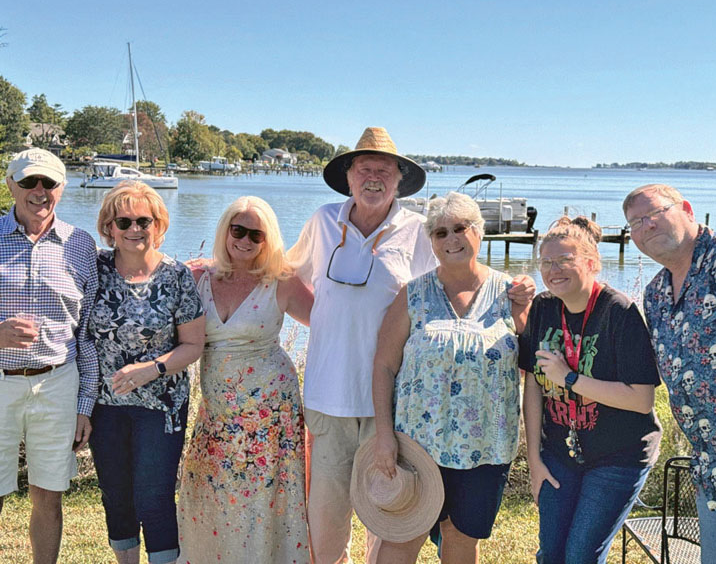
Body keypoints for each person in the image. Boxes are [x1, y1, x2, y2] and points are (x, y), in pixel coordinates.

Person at [286, 127, 436, 563]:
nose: (374, 177)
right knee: (326, 512)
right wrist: (326, 323)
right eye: (365, 169)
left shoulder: (418, 231)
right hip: (326, 395)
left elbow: (445, 289)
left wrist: (515, 290)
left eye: (384, 170)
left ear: (399, 179)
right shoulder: (322, 220)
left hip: (389, 401)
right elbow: (286, 277)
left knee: (387, 507)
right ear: (348, 178)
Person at [370, 192, 534, 564]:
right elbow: (383, 366)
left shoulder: (510, 294)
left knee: (461, 539)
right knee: (401, 537)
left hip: (486, 448)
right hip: (418, 446)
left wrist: (526, 307)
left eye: (461, 228)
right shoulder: (413, 294)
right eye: (440, 232)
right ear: (431, 241)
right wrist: (383, 436)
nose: (451, 239)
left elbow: (533, 362)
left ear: (480, 232)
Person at [0, 148, 99, 564]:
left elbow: (87, 335)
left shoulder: (81, 245)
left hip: (58, 383)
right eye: (28, 182)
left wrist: (85, 405)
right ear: (10, 185)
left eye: (48, 183)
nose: (39, 192)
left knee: (49, 497)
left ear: (62, 187)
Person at [623, 184, 716, 564]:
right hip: (712, 474)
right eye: (635, 223)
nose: (646, 227)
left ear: (686, 209)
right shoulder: (656, 294)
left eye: (655, 214)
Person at [177, 196, 312, 563]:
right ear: (225, 230)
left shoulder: (280, 281)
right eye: (239, 230)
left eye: (257, 234)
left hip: (272, 417)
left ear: (268, 241)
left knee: (264, 502)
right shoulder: (197, 277)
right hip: (217, 416)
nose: (246, 241)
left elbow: (330, 323)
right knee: (211, 493)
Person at [520, 216, 661, 564]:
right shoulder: (542, 308)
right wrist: (534, 458)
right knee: (551, 552)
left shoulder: (619, 312)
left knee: (580, 555)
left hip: (619, 455)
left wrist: (569, 378)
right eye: (547, 262)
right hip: (559, 452)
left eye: (565, 260)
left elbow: (641, 399)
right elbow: (534, 385)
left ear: (592, 263)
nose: (554, 270)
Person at [87, 180, 205, 564]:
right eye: (125, 222)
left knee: (154, 496)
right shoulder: (95, 268)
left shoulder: (176, 276)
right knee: (115, 493)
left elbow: (193, 345)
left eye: (144, 220)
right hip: (104, 405)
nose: (135, 229)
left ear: (159, 224)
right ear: (109, 228)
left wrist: (150, 370)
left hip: (161, 405)